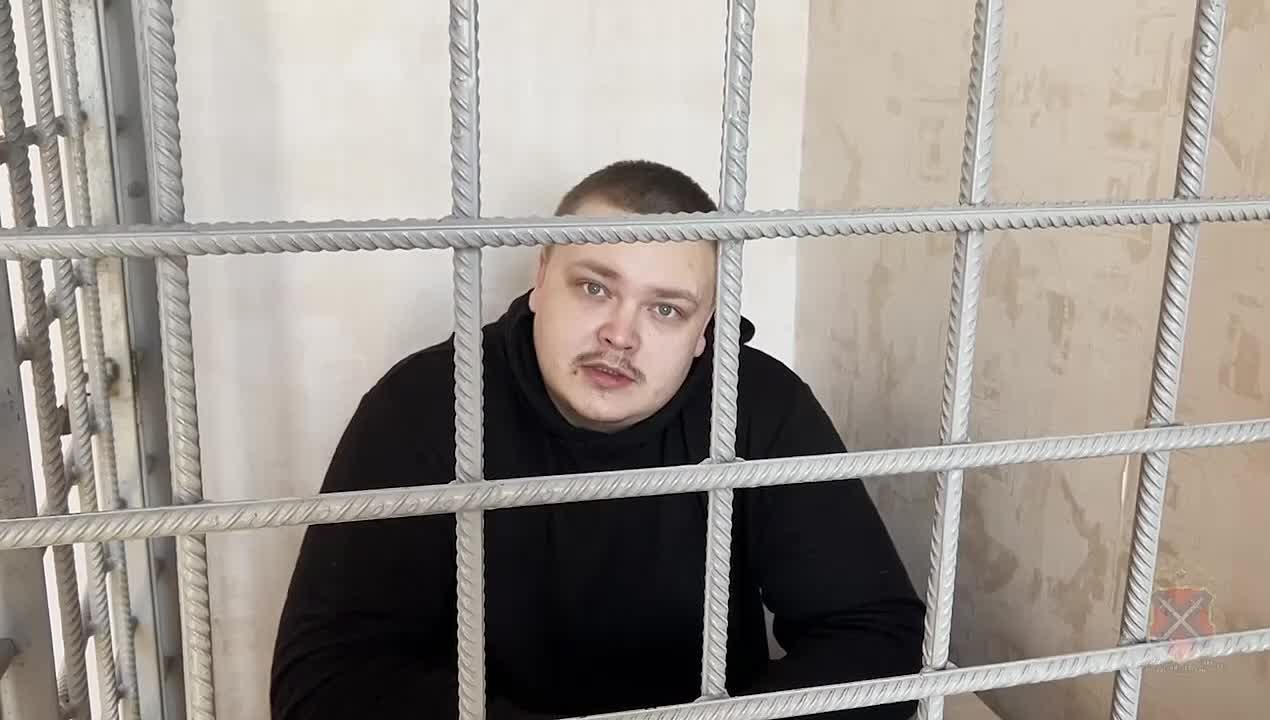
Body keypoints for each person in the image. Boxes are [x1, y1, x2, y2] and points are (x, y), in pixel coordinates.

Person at [269, 160, 926, 719]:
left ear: (706, 330)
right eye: (593, 287)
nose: (620, 334)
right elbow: (321, 681)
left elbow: (882, 639)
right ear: (540, 278)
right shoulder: (424, 404)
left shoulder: (758, 404)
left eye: (665, 309)